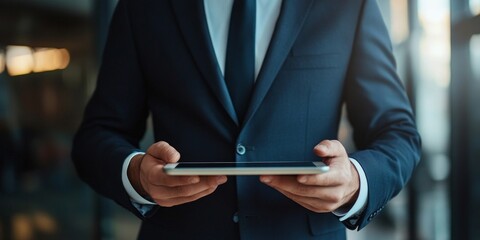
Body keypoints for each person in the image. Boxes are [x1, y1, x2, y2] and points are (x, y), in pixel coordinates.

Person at [72, 0, 421, 239]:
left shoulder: (348, 5)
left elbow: (398, 134)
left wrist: (356, 182)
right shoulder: (145, 8)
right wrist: (137, 176)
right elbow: (97, 135)